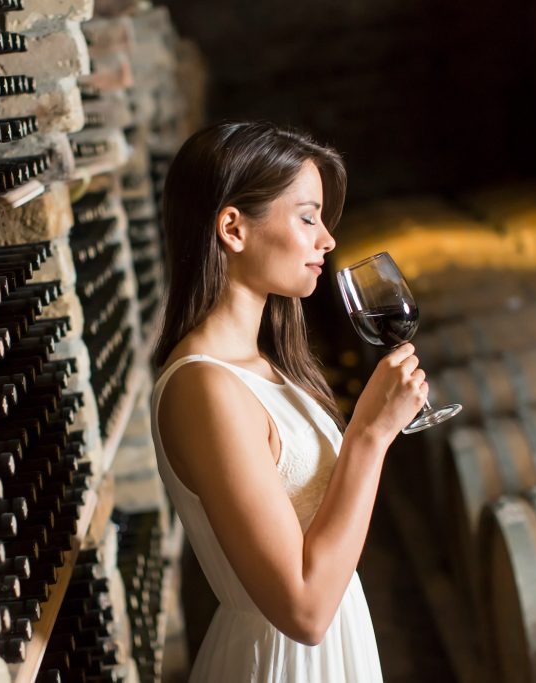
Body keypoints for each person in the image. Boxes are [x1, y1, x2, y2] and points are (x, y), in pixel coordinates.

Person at [150, 121, 428, 681]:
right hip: (281, 663)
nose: (326, 238)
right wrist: (370, 436)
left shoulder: (267, 366)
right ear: (233, 227)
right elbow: (303, 610)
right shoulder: (204, 388)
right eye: (307, 216)